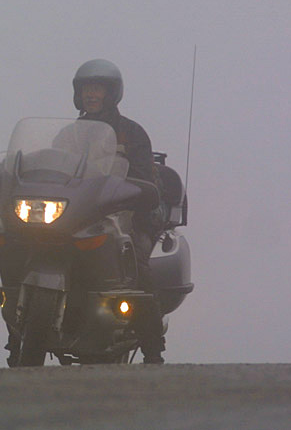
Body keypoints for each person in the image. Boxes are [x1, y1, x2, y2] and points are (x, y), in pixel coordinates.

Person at [72, 58, 166, 364]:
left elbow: (146, 179)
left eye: (97, 88)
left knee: (136, 265)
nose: (91, 94)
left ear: (112, 93)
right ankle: (22, 334)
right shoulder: (68, 135)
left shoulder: (132, 133)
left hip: (126, 219)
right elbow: (51, 171)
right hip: (78, 219)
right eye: (87, 88)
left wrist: (131, 198)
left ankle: (153, 351)